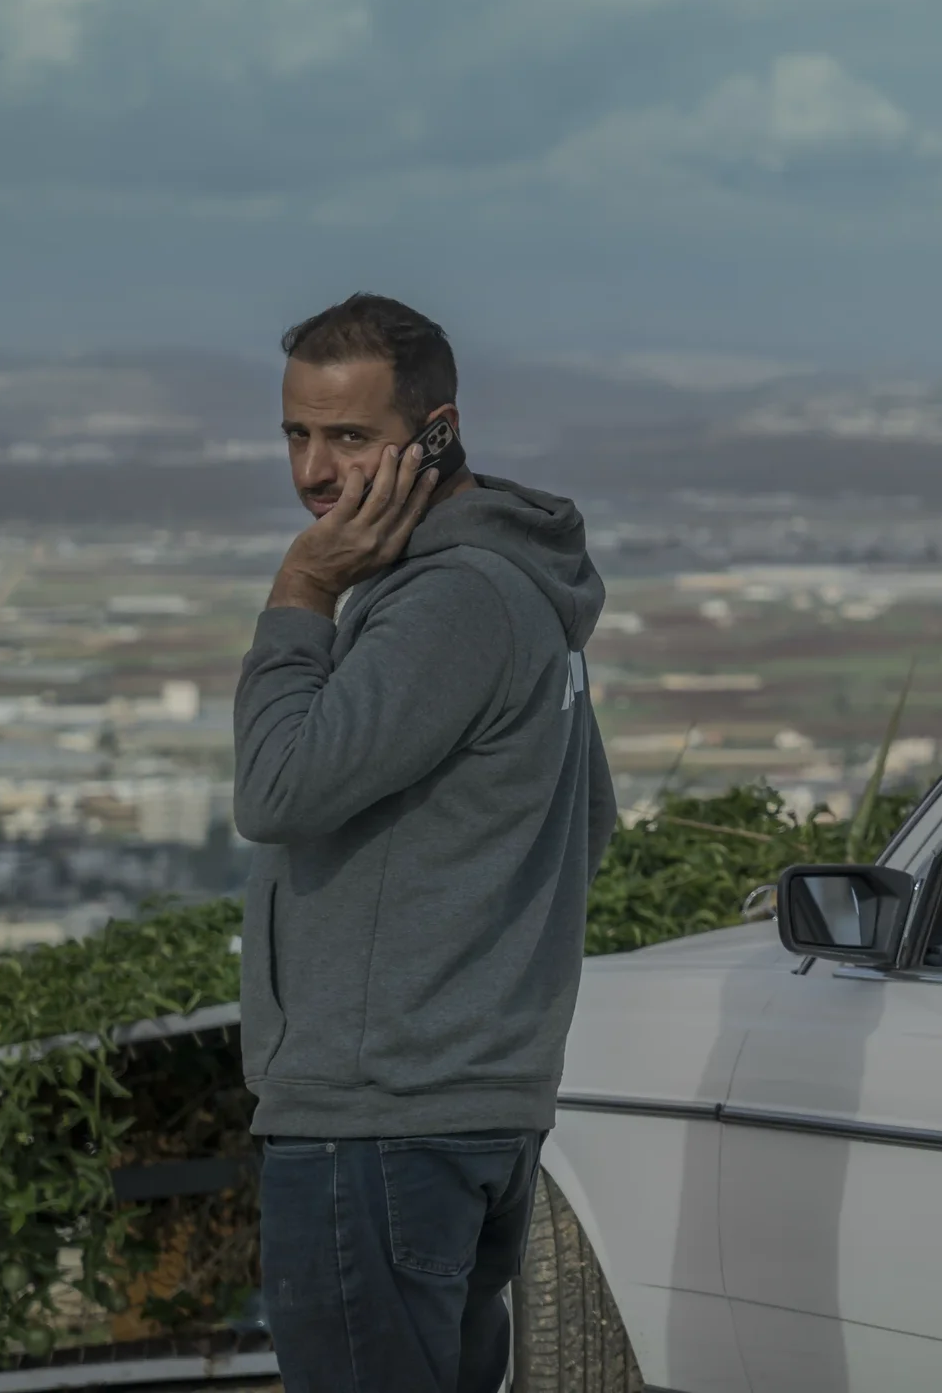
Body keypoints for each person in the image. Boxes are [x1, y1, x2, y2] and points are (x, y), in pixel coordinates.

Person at [232, 293, 613, 1393]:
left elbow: (276, 785)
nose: (313, 470)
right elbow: (587, 821)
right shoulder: (515, 590)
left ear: (436, 430)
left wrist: (301, 589)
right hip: (466, 1110)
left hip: (381, 1116)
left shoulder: (445, 602)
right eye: (297, 433)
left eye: (350, 436)